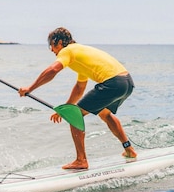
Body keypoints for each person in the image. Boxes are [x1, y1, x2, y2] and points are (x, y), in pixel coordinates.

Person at [18, 27, 136, 170]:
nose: (51, 50)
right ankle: (129, 150)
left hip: (113, 83)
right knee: (105, 114)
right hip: (127, 82)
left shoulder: (67, 51)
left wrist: (30, 88)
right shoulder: (80, 52)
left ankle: (81, 160)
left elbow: (52, 70)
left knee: (75, 116)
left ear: (60, 42)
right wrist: (65, 109)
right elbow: (80, 88)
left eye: (52, 45)